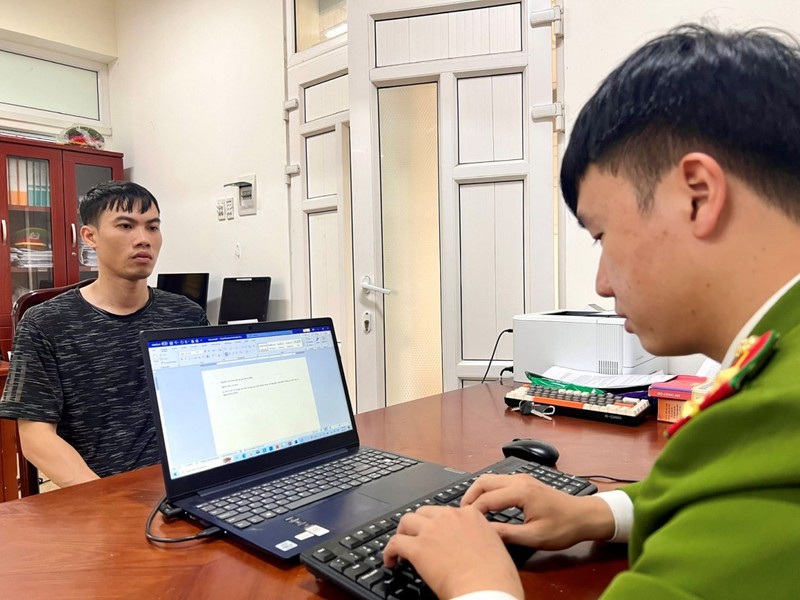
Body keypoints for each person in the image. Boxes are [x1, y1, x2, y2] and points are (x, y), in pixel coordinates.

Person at [382, 24, 800, 599]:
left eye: (602, 234)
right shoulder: (777, 363)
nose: (602, 284)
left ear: (698, 195)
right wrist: (598, 514)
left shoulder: (782, 410)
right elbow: (733, 489)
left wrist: (478, 584)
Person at [0, 181, 208, 488]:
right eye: (126, 226)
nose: (143, 239)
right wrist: (107, 498)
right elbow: (35, 435)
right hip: (99, 491)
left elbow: (204, 406)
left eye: (152, 227)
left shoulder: (186, 315)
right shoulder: (46, 323)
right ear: (90, 236)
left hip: (186, 483)